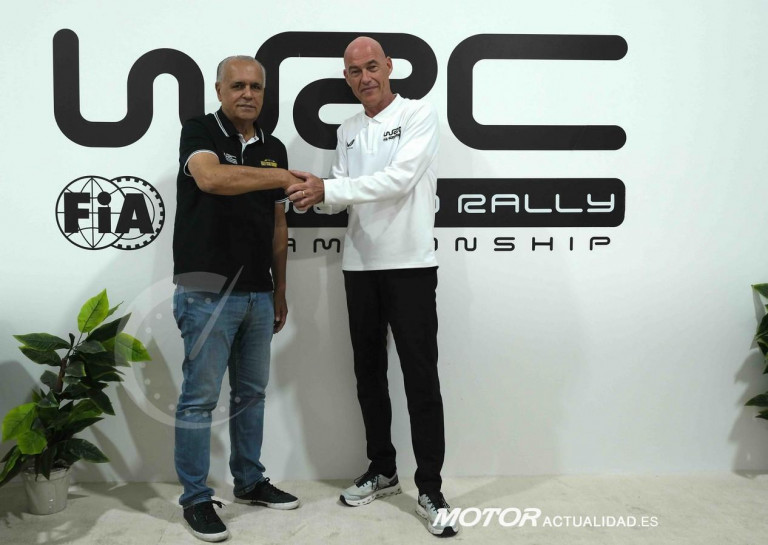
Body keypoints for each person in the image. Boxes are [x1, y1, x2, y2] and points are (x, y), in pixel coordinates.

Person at [287, 36, 458, 538]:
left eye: (372, 67)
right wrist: (312, 195)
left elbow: (398, 180)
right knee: (368, 375)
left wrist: (330, 188)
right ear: (347, 78)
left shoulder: (419, 114)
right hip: (359, 268)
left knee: (421, 378)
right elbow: (341, 193)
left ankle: (430, 488)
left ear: (389, 67)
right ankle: (382, 469)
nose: (365, 78)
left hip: (410, 266)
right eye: (355, 72)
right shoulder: (347, 129)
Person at [172, 55, 302, 543]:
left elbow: (278, 224)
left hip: (257, 293)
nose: (248, 94)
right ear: (220, 90)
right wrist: (282, 177)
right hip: (205, 290)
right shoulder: (199, 130)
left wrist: (280, 289)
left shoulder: (274, 147)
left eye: (256, 86)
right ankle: (196, 499)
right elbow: (212, 179)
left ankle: (249, 481)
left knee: (251, 395)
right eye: (238, 85)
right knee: (199, 401)